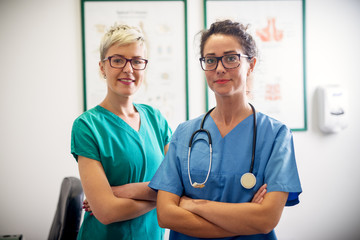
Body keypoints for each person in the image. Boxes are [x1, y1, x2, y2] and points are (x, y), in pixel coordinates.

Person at [149, 19, 302, 239]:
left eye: (231, 58)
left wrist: (194, 204)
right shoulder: (184, 134)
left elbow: (266, 219)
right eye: (210, 60)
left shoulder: (276, 135)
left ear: (251, 64)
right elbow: (165, 214)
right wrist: (246, 220)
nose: (220, 68)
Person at [71, 23, 172, 240]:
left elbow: (178, 184)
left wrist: (117, 191)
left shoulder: (156, 119)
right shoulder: (87, 126)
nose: (128, 69)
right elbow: (106, 212)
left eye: (137, 61)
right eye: (117, 60)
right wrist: (161, 197)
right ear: (102, 67)